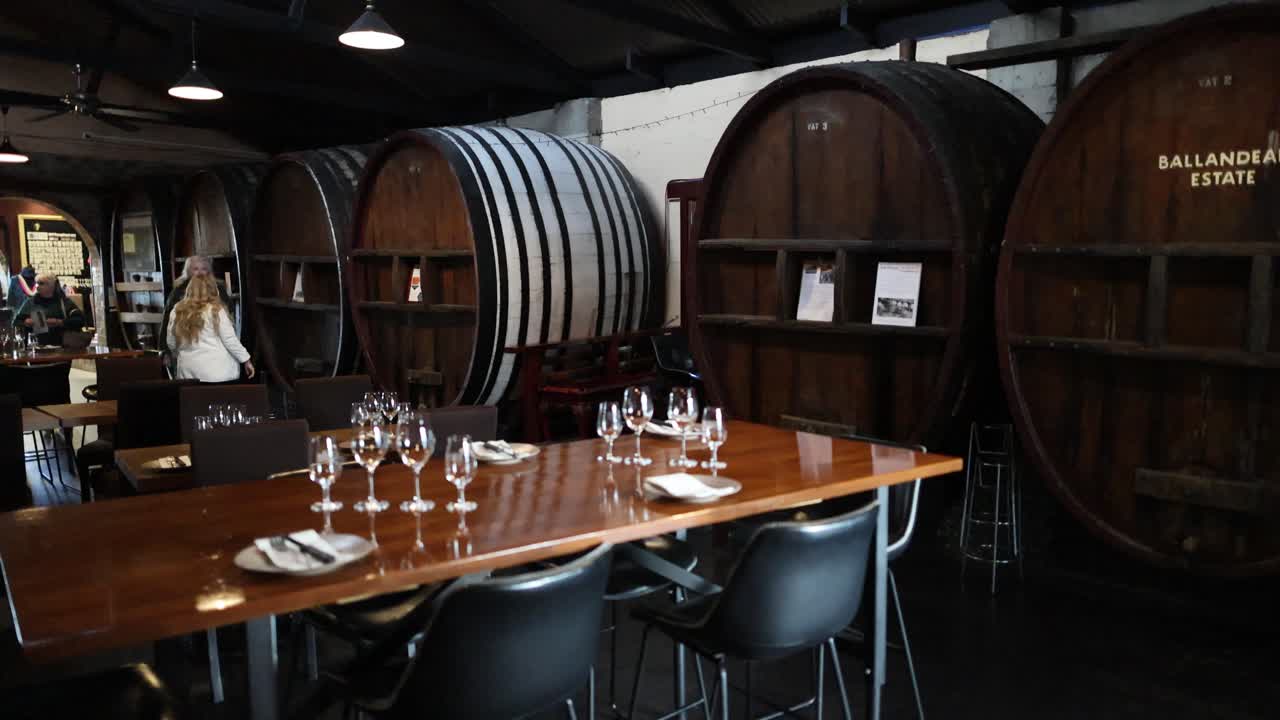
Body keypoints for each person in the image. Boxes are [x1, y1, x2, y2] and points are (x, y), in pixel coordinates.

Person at [166, 273, 255, 383]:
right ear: (213, 289)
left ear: (189, 289)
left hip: (188, 375)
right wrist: (246, 360)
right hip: (218, 374)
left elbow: (171, 342)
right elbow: (230, 340)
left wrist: (181, 354)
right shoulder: (215, 311)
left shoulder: (177, 311)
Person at [160, 256, 231, 360]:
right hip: (188, 343)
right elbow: (168, 320)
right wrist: (165, 350)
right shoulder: (179, 291)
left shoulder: (218, 289)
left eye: (204, 269)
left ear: (209, 271)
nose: (200, 273)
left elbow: (229, 314)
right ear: (189, 271)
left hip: (214, 344)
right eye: (195, 269)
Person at [11, 272, 84, 346]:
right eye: (36, 283)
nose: (37, 286)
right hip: (37, 347)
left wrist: (60, 322)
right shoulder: (31, 302)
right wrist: (26, 322)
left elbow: (79, 320)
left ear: (51, 285)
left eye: (41, 283)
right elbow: (16, 323)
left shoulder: (64, 302)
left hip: (62, 346)